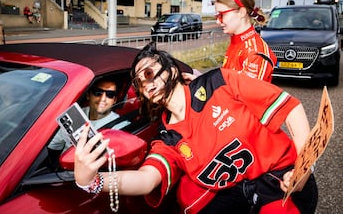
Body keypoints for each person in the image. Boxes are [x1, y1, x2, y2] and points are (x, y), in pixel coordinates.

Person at [74, 42, 317, 214]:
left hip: (279, 179)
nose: (145, 85)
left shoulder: (220, 82)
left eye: (148, 73)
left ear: (170, 71)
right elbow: (146, 180)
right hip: (237, 195)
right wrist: (92, 181)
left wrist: (303, 168)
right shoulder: (168, 136)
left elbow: (290, 108)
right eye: (138, 83)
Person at [213, 0, 277, 82]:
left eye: (221, 15)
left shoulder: (255, 51)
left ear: (242, 12)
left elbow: (244, 96)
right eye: (216, 16)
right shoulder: (237, 42)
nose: (218, 21)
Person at [48, 77, 129, 154]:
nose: (103, 99)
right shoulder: (73, 115)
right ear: (88, 95)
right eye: (98, 92)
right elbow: (53, 148)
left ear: (114, 100)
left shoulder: (120, 126)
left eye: (110, 94)